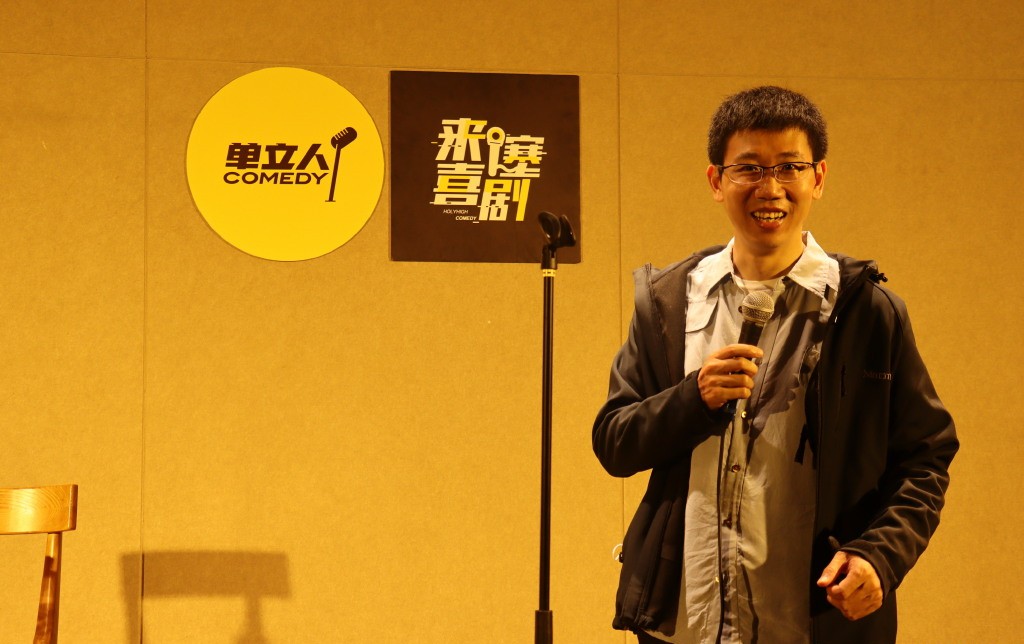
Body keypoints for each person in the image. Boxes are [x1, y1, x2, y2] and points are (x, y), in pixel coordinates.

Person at [592, 86, 958, 644]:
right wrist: (693, 398)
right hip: (686, 625)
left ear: (819, 178)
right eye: (750, 168)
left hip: (813, 623)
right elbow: (614, 441)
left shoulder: (867, 311)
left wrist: (880, 557)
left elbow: (926, 459)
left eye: (790, 167)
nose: (771, 188)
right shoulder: (669, 301)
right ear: (716, 181)